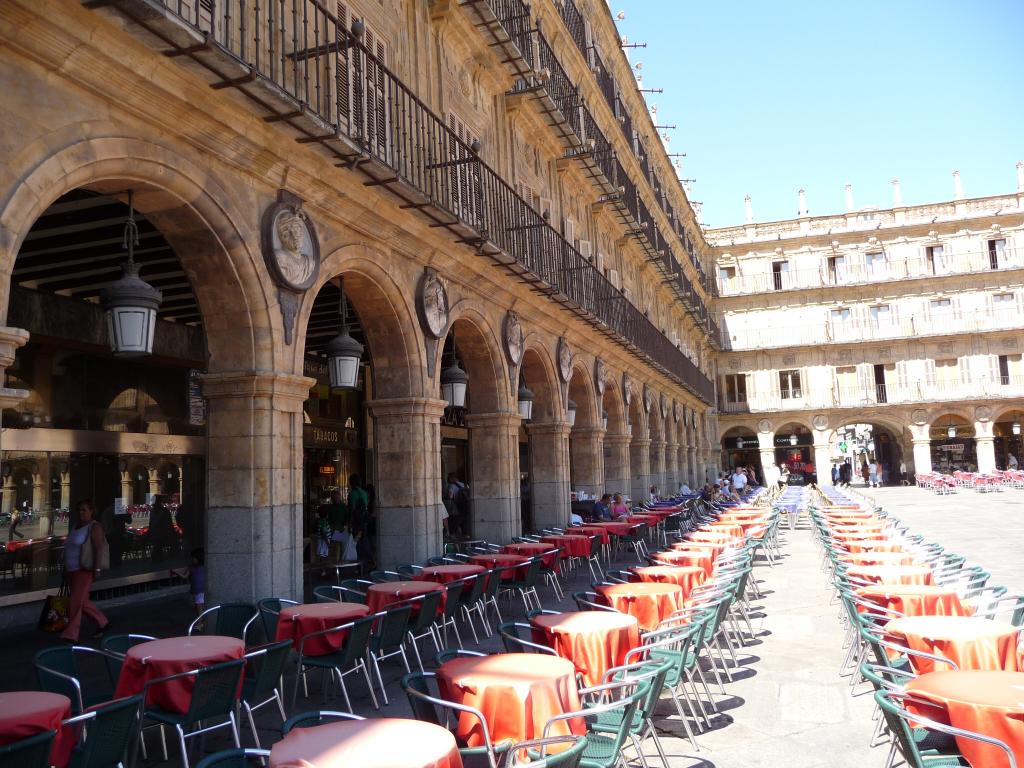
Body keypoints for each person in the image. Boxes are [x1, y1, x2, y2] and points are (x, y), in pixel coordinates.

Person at [61, 499, 109, 643]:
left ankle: (71, 634)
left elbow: (98, 548)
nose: (81, 512)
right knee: (82, 601)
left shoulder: (94, 527)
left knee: (75, 602)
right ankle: (103, 622)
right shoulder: (76, 526)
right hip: (71, 569)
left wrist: (97, 568)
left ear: (92, 511)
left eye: (84, 510)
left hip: (84, 569)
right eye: (79, 510)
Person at [172, 548, 206, 616]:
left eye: (194, 558)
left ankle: (200, 624)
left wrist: (175, 572)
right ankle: (201, 623)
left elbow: (185, 577)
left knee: (199, 609)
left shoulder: (201, 566)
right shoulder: (192, 567)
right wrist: (176, 572)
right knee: (199, 608)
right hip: (197, 590)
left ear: (198, 558)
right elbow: (185, 576)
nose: (192, 559)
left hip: (200, 590)